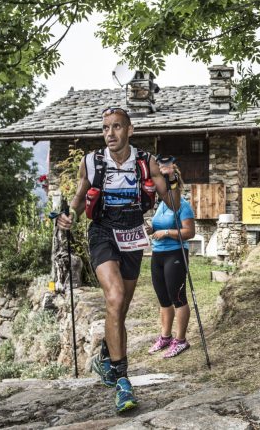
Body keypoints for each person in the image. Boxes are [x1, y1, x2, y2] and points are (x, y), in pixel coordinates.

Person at [57, 107, 181, 413]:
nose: (110, 133)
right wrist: (71, 214)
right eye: (105, 128)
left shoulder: (145, 162)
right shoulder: (92, 161)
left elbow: (173, 203)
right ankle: (123, 379)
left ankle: (106, 355)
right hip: (102, 232)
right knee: (114, 298)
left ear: (130, 130)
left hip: (133, 233)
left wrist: (174, 180)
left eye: (116, 127)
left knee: (120, 308)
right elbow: (79, 194)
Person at [145, 168, 196, 359]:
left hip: (175, 253)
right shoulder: (161, 206)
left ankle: (181, 340)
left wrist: (166, 233)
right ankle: (165, 337)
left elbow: (189, 232)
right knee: (163, 298)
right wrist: (151, 229)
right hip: (157, 254)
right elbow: (158, 226)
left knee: (178, 297)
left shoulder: (183, 205)